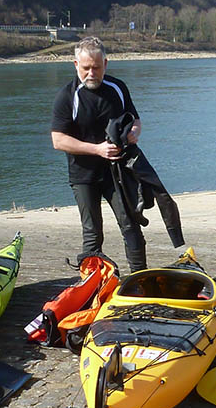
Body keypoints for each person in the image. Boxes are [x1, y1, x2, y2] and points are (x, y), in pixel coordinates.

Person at [51, 36, 147, 273]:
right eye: (86, 68)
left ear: (106, 63)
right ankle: (92, 280)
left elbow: (134, 119)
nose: (91, 73)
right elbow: (58, 140)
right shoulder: (67, 96)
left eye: (96, 67)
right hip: (83, 173)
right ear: (76, 65)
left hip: (117, 171)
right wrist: (97, 149)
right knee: (92, 230)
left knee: (130, 224)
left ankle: (140, 275)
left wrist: (134, 132)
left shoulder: (118, 88)